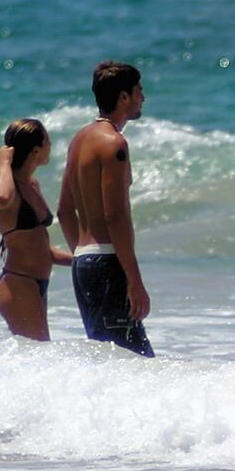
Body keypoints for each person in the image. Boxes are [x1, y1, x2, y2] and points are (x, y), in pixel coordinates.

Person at [58, 61, 154, 357]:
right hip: (107, 265)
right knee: (137, 364)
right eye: (139, 90)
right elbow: (116, 215)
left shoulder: (79, 140)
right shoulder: (114, 143)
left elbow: (64, 210)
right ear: (123, 97)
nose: (143, 97)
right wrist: (134, 281)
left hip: (84, 263)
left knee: (110, 362)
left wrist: (83, 256)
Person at [0, 118, 72, 340]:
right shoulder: (1, 185)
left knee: (36, 356)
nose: (50, 146)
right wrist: (4, 161)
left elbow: (40, 248)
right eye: (48, 142)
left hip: (35, 284)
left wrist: (81, 260)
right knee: (38, 354)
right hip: (18, 285)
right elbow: (2, 198)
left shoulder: (32, 185)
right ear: (36, 150)